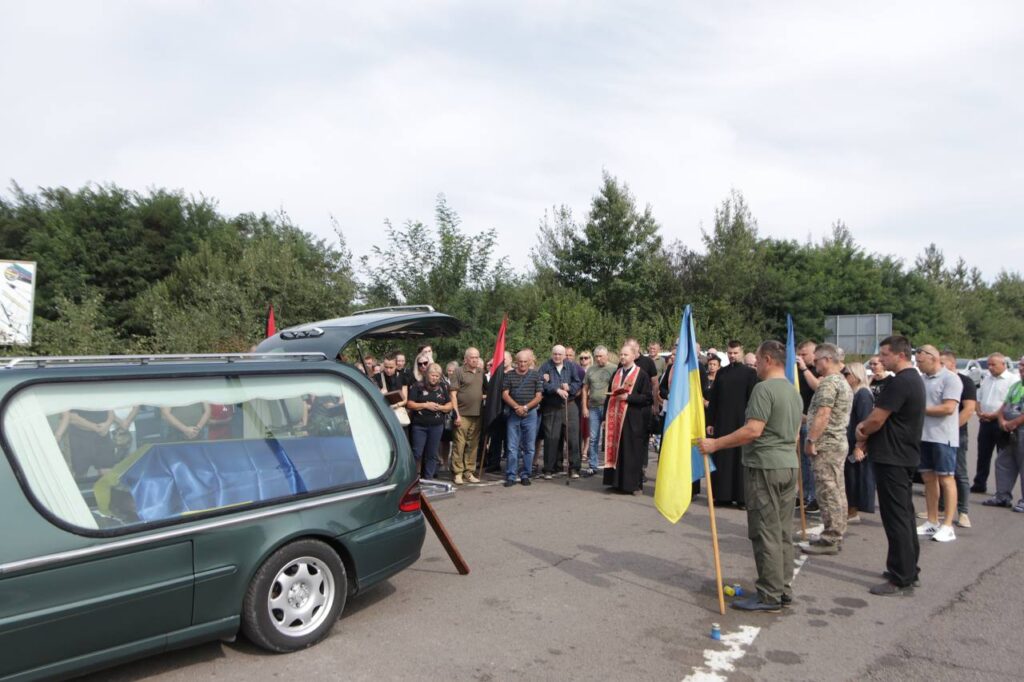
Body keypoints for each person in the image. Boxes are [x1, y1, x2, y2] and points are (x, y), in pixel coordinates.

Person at [699, 340, 802, 612]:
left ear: (768, 359)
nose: (754, 364)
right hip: (787, 465)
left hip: (765, 467)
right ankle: (782, 588)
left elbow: (753, 430)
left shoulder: (763, 389)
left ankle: (769, 594)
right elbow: (794, 433)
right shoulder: (792, 390)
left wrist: (715, 444)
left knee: (765, 531)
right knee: (782, 532)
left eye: (757, 359)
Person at [854, 335, 925, 596]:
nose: (880, 360)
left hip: (893, 456)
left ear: (900, 355)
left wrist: (861, 431)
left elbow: (877, 419)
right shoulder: (912, 379)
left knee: (896, 518)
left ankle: (901, 576)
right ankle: (908, 568)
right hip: (902, 455)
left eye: (885, 355)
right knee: (903, 514)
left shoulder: (901, 382)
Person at [801, 343, 853, 555]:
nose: (814, 364)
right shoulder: (841, 381)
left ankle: (831, 538)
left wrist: (811, 440)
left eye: (817, 360)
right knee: (836, 490)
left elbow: (823, 414)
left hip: (827, 445)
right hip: (836, 442)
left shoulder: (830, 383)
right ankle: (836, 532)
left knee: (827, 491)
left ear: (828, 360)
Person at [914, 344, 961, 544]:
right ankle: (932, 521)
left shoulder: (951, 379)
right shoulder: (922, 379)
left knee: (946, 479)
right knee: (928, 478)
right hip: (924, 436)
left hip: (943, 437)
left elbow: (949, 408)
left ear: (932, 358)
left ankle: (948, 525)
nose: (918, 365)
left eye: (920, 361)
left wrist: (918, 409)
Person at [705, 340, 758, 507]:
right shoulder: (721, 373)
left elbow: (753, 400)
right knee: (723, 458)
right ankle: (722, 495)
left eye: (735, 353)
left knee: (740, 460)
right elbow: (714, 399)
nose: (732, 356)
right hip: (722, 422)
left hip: (742, 422)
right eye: (730, 353)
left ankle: (742, 498)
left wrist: (751, 421)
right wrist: (710, 421)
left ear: (741, 352)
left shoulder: (750, 374)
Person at [603, 343, 653, 494]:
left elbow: (647, 398)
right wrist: (604, 417)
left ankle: (632, 485)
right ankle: (616, 482)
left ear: (633, 356)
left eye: (626, 355)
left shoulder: (641, 374)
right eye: (621, 354)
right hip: (615, 417)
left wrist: (629, 397)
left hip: (632, 418)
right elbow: (609, 394)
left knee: (631, 451)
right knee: (617, 449)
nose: (622, 357)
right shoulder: (617, 373)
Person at [939, 350, 976, 527]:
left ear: (952, 364)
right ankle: (940, 509)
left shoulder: (965, 381)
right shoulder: (938, 380)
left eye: (942, 363)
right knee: (939, 472)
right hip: (937, 434)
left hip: (957, 433)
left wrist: (952, 429)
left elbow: (968, 409)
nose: (939, 366)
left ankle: (963, 512)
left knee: (959, 473)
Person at [982, 357, 1024, 512]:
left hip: (1020, 429)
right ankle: (1002, 497)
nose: (1021, 368)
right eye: (1020, 365)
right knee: (1003, 462)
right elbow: (1004, 406)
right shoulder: (1016, 386)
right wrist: (1001, 420)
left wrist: (1014, 423)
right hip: (1009, 431)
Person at [539, 345, 583, 479]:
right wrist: (557, 389)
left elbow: (578, 383)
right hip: (552, 406)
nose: (557, 356)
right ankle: (549, 468)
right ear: (551, 354)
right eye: (555, 354)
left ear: (564, 355)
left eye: (560, 354)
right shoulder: (545, 366)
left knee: (573, 438)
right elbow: (541, 383)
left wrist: (569, 387)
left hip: (569, 404)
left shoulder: (571, 366)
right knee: (551, 438)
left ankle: (574, 468)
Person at [502, 350, 543, 486]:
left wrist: (525, 407)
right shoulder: (509, 375)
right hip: (513, 414)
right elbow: (505, 394)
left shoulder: (535, 375)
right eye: (520, 361)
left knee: (529, 447)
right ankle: (511, 475)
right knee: (512, 447)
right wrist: (516, 407)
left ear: (529, 362)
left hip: (530, 414)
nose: (523, 364)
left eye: (525, 361)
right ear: (516, 362)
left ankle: (526, 474)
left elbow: (539, 396)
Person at [407, 362, 454, 480]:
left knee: (432, 454)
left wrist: (441, 407)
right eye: (432, 375)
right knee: (417, 453)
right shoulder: (417, 386)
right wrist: (425, 405)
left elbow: (449, 405)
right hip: (419, 425)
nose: (434, 378)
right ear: (427, 374)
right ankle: (412, 478)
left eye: (437, 376)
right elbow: (410, 404)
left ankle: (429, 478)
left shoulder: (443, 387)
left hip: (436, 425)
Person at [974, 353, 1013, 493]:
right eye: (988, 365)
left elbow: (1009, 404)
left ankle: (1001, 489)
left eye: (993, 365)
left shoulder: (1012, 380)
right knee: (983, 454)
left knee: (1002, 458)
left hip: (1001, 423)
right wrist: (979, 412)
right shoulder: (987, 378)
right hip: (985, 422)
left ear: (1003, 364)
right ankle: (979, 483)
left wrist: (994, 415)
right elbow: (978, 397)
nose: (990, 367)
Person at [842, 362, 876, 522]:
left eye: (847, 374)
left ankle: (853, 511)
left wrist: (860, 446)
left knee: (855, 477)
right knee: (850, 477)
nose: (844, 377)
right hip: (850, 439)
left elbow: (864, 421)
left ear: (856, 376)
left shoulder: (863, 394)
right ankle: (850, 509)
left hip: (856, 441)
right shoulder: (855, 393)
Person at [450, 347, 486, 485]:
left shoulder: (481, 372)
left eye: (477, 357)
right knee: (459, 444)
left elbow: (486, 390)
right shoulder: (458, 372)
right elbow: (453, 394)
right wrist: (456, 414)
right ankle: (457, 473)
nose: (475, 360)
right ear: (466, 359)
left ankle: (469, 472)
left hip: (477, 414)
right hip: (462, 414)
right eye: (472, 357)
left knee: (473, 445)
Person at [582, 345, 615, 475]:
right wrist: (584, 407)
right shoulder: (591, 369)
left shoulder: (614, 368)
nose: (598, 359)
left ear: (607, 356)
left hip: (609, 407)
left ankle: (611, 465)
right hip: (593, 407)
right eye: (596, 356)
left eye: (601, 356)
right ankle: (593, 465)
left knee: (610, 438)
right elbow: (585, 389)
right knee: (594, 437)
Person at [796, 340, 821, 512]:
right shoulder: (797, 371)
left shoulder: (816, 370)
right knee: (802, 462)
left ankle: (813, 496)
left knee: (810, 462)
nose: (800, 357)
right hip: (798, 420)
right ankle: (804, 494)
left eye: (804, 354)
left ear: (814, 354)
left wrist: (804, 368)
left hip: (811, 421)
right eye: (799, 354)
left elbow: (817, 387)